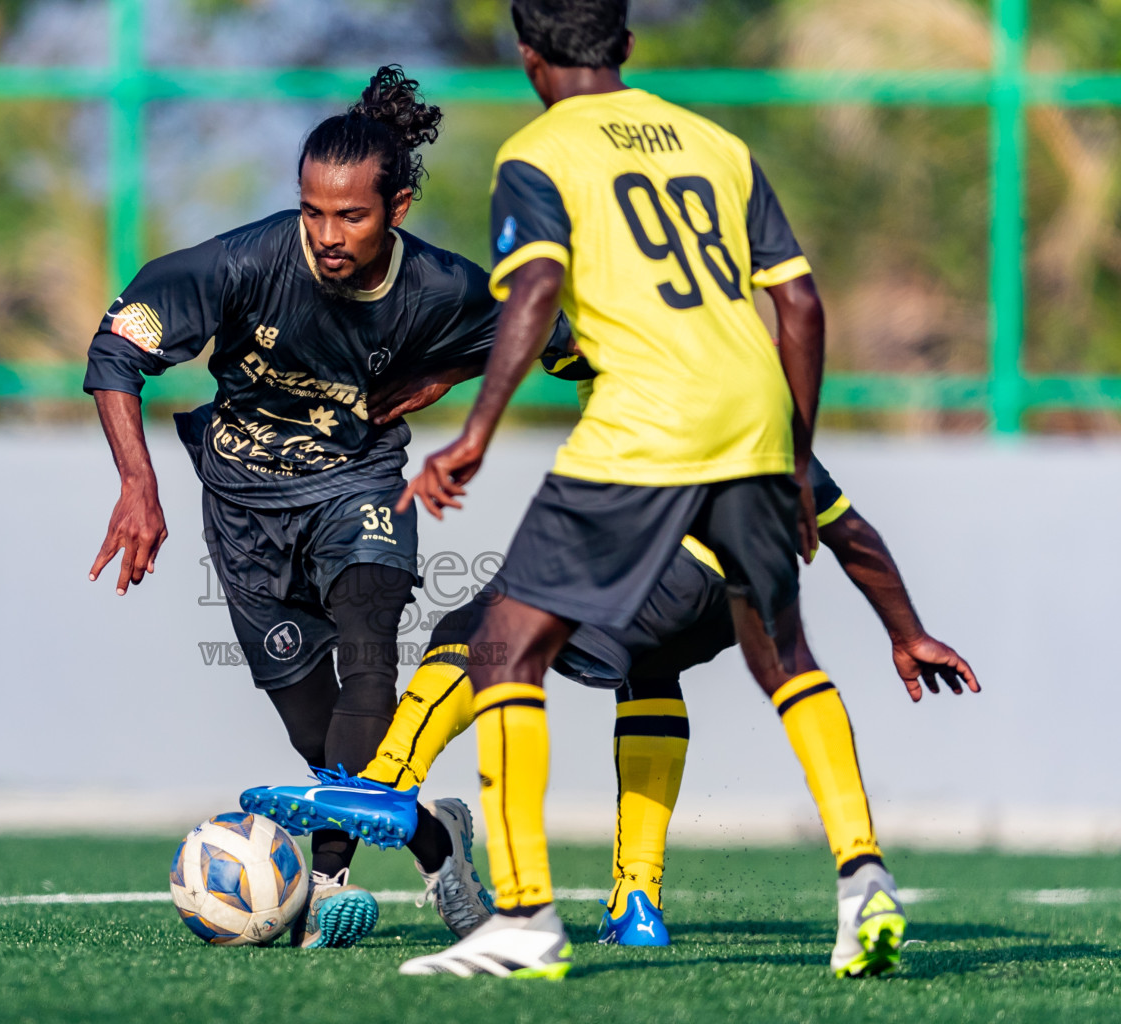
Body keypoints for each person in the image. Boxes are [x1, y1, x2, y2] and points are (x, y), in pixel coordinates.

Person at [383, 0, 899, 979]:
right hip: (752, 414)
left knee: (500, 644)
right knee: (785, 654)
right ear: (624, 45)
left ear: (528, 54)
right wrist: (795, 449)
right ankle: (862, 873)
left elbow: (534, 295)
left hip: (647, 423)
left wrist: (478, 431)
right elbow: (798, 298)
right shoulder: (716, 144)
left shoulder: (541, 153)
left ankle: (527, 916)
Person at [84, 67, 565, 949]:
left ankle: (329, 879)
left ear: (400, 207)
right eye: (313, 211)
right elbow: (119, 348)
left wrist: (447, 371)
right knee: (321, 734)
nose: (329, 234)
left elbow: (544, 326)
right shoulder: (241, 263)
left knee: (368, 655)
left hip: (360, 485)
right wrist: (138, 484)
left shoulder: (442, 288)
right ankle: (434, 836)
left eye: (351, 215)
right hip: (242, 507)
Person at [243, 437, 980, 956]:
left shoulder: (649, 371)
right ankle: (637, 905)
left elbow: (534, 327)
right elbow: (850, 531)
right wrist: (907, 632)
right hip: (740, 600)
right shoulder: (761, 396)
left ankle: (386, 786)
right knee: (652, 673)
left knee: (484, 621)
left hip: (664, 572)